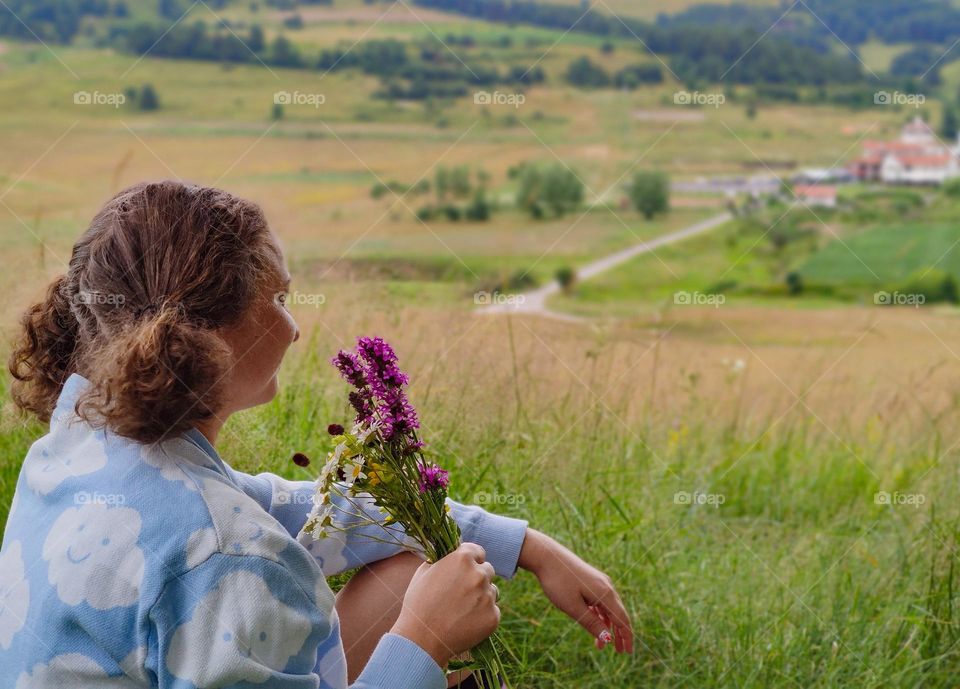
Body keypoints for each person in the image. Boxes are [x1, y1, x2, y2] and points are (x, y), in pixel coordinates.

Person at [0, 180, 633, 688]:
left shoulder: (77, 452)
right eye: (277, 299)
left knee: (410, 559)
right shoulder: (227, 555)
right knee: (415, 593)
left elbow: (302, 511)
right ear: (207, 335)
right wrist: (424, 641)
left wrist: (527, 546)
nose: (294, 327)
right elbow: (246, 539)